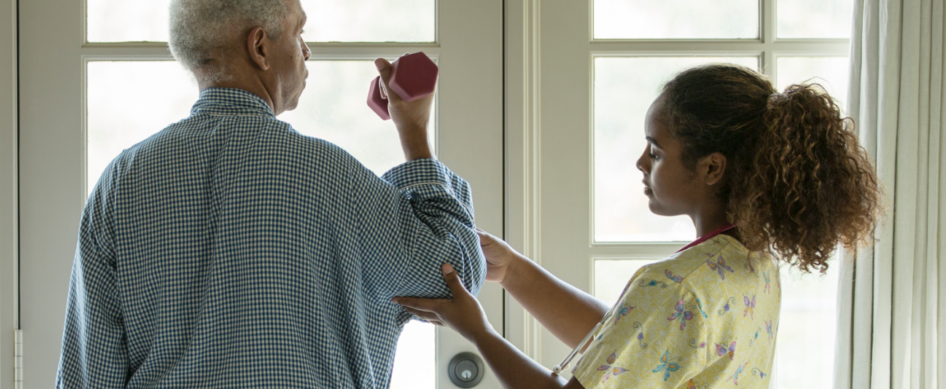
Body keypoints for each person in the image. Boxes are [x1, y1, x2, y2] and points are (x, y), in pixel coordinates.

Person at [55, 0, 485, 387]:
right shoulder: (333, 178)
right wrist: (413, 133)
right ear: (259, 47)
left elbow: (89, 375)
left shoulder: (120, 184)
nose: (306, 51)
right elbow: (455, 277)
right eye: (299, 33)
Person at [395, 64, 882, 388]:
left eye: (656, 150)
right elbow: (638, 343)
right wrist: (516, 272)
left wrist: (479, 332)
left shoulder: (679, 284)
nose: (639, 162)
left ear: (712, 168)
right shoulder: (750, 263)